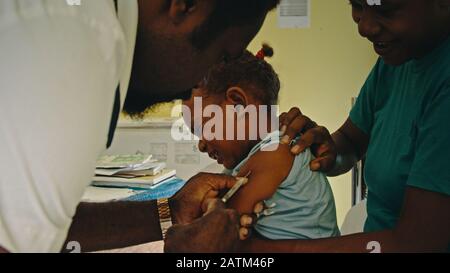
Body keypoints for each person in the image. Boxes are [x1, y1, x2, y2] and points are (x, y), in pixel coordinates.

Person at [0, 0, 279, 253]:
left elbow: (42, 228)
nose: (196, 85)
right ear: (186, 5)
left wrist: (171, 211)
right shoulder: (78, 45)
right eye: (220, 57)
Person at [241, 0, 450, 252]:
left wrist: (254, 250)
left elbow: (416, 243)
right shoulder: (397, 61)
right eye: (357, 5)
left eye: (385, 10)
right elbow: (350, 142)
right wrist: (327, 150)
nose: (365, 26)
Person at [182, 45, 340, 243]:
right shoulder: (251, 158)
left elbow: (216, 228)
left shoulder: (276, 153)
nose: (201, 145)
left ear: (238, 103)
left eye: (203, 128)